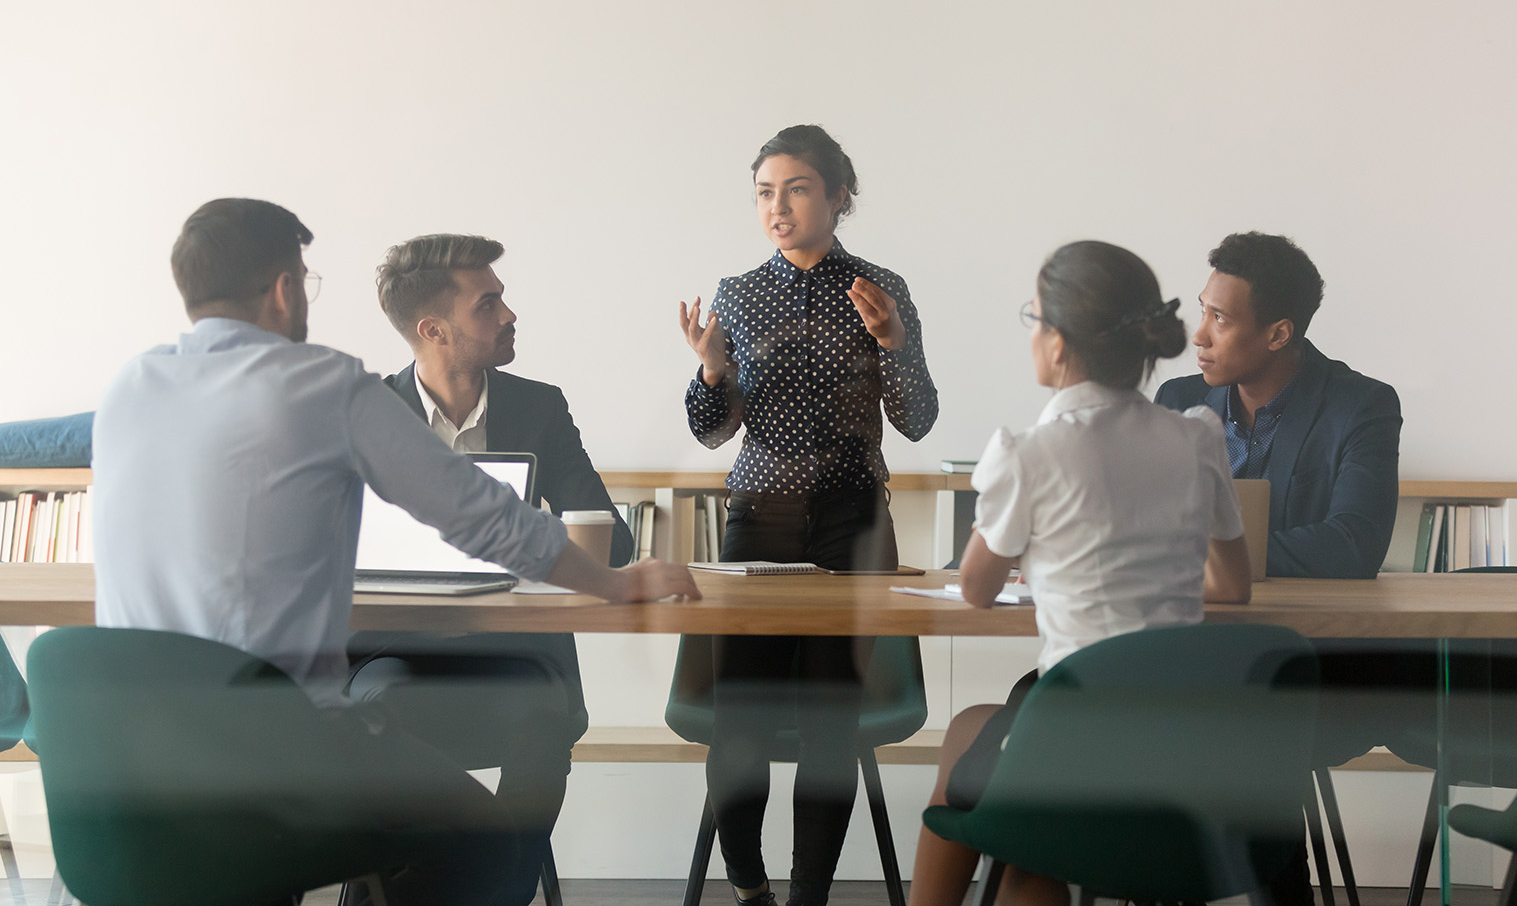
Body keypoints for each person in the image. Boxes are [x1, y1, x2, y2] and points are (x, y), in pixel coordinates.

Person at [92, 198, 699, 906]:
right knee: (487, 846)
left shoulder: (130, 388)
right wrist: (616, 584)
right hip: (290, 738)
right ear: (284, 288)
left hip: (138, 753)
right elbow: (483, 516)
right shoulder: (327, 388)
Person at [908, 240, 1253, 906]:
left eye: (1033, 319)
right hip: (1186, 732)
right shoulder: (1197, 437)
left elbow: (978, 588)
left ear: (1059, 342)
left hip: (1076, 729)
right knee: (977, 738)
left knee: (1024, 844)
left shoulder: (1029, 452)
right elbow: (1232, 584)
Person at [677, 124, 938, 906]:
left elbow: (917, 417)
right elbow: (711, 429)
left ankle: (809, 896)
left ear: (838, 196)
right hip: (757, 516)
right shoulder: (738, 293)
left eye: (795, 188)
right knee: (741, 716)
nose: (778, 207)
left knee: (832, 722)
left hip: (853, 520)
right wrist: (712, 370)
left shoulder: (880, 285)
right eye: (765, 191)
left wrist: (893, 340)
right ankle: (750, 883)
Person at [341, 232, 633, 901]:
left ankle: (490, 893)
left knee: (543, 722)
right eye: (489, 303)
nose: (509, 315)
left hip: (517, 658)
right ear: (433, 329)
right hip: (392, 657)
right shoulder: (367, 414)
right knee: (368, 723)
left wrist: (521, 538)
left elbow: (609, 538)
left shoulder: (540, 407)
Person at [1154, 231, 1402, 579]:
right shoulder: (1178, 401)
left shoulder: (1361, 406)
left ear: (1278, 335)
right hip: (1195, 617)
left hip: (1311, 626)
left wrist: (1213, 557)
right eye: (1203, 311)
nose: (1199, 335)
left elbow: (1354, 545)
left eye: (1220, 319)